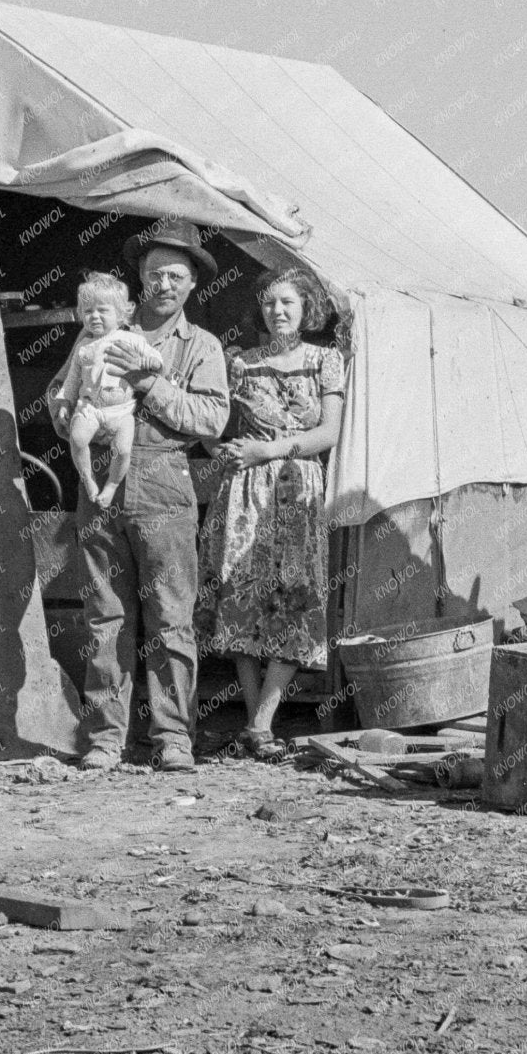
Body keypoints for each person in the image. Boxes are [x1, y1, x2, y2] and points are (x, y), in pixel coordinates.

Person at [47, 220, 229, 773]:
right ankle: (105, 738)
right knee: (105, 617)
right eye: (154, 274)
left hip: (163, 485)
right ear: (139, 280)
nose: (164, 285)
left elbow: (213, 422)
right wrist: (64, 412)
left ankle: (172, 737)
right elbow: (60, 390)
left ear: (194, 281)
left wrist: (148, 384)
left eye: (176, 275)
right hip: (100, 485)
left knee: (171, 617)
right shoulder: (96, 332)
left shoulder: (201, 346)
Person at [197, 266, 346, 758]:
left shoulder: (325, 360)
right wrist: (223, 450)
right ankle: (253, 724)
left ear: (306, 309)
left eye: (287, 302)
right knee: (240, 596)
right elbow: (210, 417)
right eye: (267, 303)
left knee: (292, 598)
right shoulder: (239, 363)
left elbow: (328, 434)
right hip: (244, 490)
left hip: (297, 488)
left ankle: (262, 721)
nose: (276, 312)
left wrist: (273, 451)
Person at [55, 273, 138, 509]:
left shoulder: (129, 340)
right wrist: (65, 402)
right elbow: (72, 379)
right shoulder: (83, 346)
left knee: (123, 450)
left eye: (103, 310)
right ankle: (88, 478)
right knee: (78, 438)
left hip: (121, 411)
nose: (95, 316)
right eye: (89, 311)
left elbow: (153, 359)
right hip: (90, 407)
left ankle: (112, 485)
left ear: (121, 315)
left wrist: (152, 364)